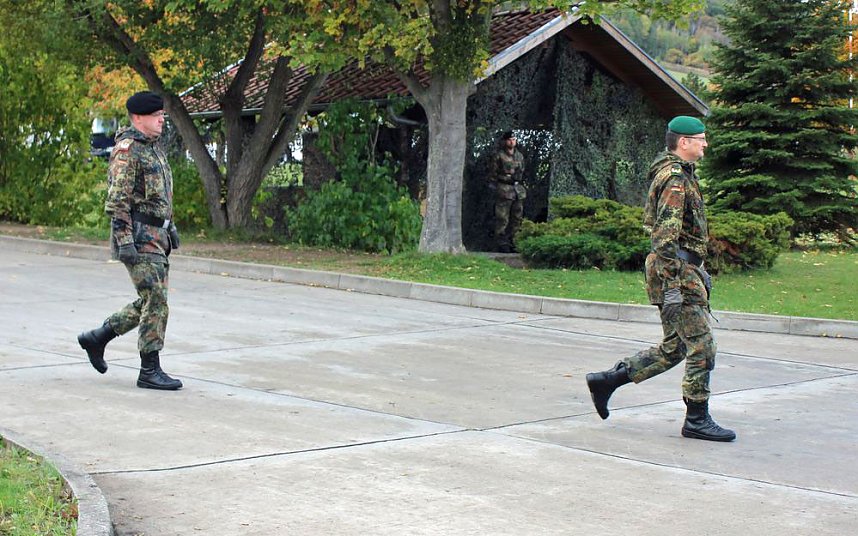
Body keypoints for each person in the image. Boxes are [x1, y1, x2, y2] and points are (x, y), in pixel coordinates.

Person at [585, 116, 735, 442]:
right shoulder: (675, 180)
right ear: (684, 142)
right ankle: (697, 418)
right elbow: (665, 238)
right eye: (701, 139)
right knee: (702, 346)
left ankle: (607, 381)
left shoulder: (678, 174)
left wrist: (698, 267)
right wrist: (673, 285)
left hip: (682, 270)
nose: (705, 144)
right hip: (675, 274)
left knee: (675, 347)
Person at [77, 91, 183, 391]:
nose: (162, 119)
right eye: (156, 115)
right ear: (138, 118)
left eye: (162, 114)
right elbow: (117, 201)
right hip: (137, 238)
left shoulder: (154, 148)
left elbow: (159, 198)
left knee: (151, 300)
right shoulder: (128, 150)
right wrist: (124, 242)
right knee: (157, 300)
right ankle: (149, 370)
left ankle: (97, 338)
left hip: (156, 237)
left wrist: (169, 227)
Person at [489, 131, 526, 253]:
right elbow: (493, 173)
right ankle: (502, 243)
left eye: (514, 139)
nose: (512, 142)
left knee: (517, 217)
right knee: (502, 218)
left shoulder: (519, 156)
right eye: (510, 139)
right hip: (504, 189)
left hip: (517, 190)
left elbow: (522, 171)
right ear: (505, 141)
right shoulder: (499, 156)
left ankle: (515, 242)